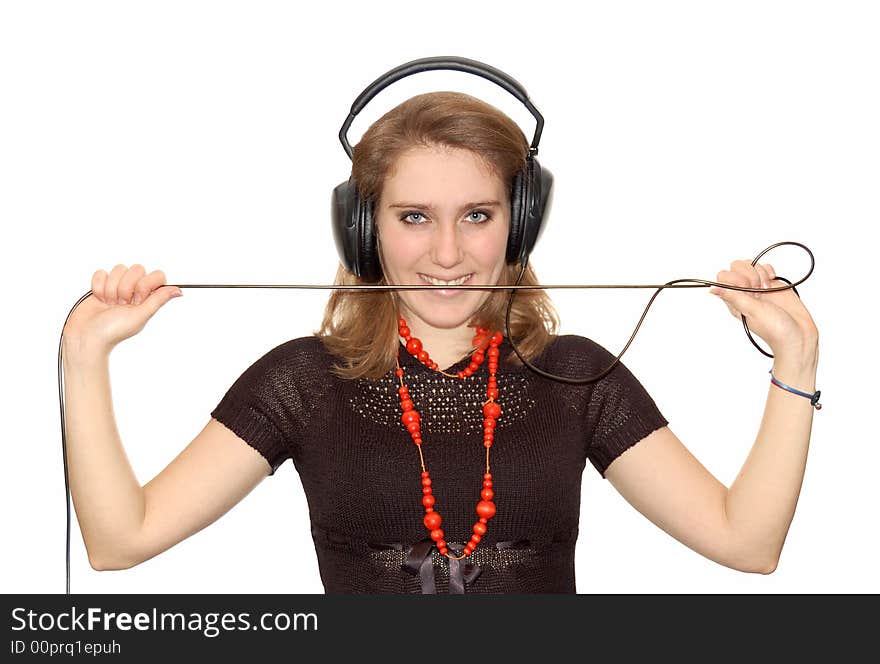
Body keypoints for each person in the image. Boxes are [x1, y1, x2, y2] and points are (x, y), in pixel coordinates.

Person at [61, 90, 820, 594]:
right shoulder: (303, 381)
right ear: (364, 229)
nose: (449, 254)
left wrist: (796, 360)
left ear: (518, 224)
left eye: (479, 216)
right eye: (415, 216)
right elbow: (119, 541)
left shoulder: (577, 375)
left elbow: (745, 543)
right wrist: (85, 357)